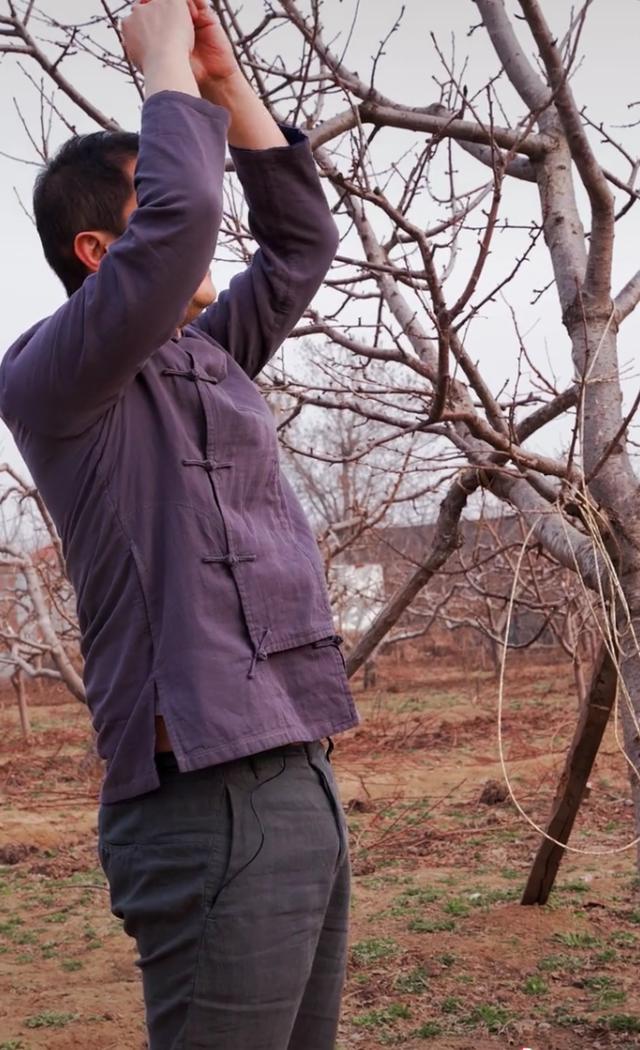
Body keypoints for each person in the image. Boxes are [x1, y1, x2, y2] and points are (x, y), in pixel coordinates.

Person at [0, 1, 361, 1047]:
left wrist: (219, 79)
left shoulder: (205, 355)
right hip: (201, 798)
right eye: (147, 204)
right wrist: (155, 54)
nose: (193, 223)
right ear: (95, 249)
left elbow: (302, 240)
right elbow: (183, 226)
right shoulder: (53, 379)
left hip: (297, 771)